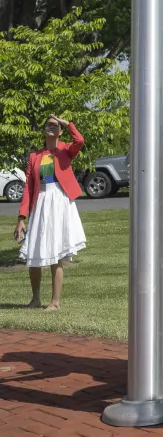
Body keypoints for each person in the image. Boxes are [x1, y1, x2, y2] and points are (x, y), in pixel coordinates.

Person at [15, 117, 86, 310]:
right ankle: (36, 298)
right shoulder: (34, 156)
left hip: (60, 202)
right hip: (40, 203)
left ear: (61, 130)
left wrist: (67, 122)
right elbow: (28, 188)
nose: (52, 127)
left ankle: (55, 302)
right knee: (34, 251)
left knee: (57, 252)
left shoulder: (65, 149)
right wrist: (21, 218)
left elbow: (79, 141)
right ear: (44, 130)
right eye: (49, 125)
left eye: (56, 125)